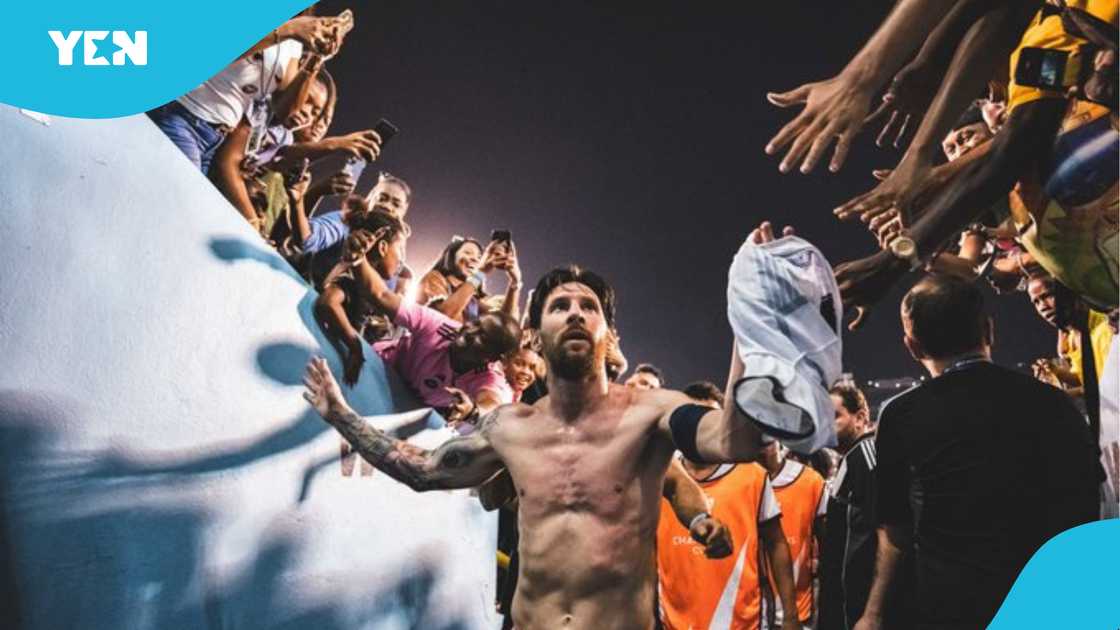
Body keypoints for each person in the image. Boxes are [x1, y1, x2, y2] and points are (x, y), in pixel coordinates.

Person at [302, 253, 781, 628]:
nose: (575, 315)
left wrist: (749, 323)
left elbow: (733, 439)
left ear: (608, 333)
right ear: (534, 333)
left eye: (588, 308)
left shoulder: (651, 413)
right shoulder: (510, 427)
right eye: (560, 307)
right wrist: (341, 416)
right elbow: (423, 472)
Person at [853, 275, 1100, 630]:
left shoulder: (901, 415)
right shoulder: (1051, 402)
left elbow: (896, 530)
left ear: (913, 347)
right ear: (989, 330)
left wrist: (873, 614)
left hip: (948, 608)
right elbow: (1083, 507)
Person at [147, 12, 347, 174]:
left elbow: (286, 110)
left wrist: (316, 59)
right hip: (185, 114)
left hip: (215, 137)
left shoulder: (294, 42)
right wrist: (287, 29)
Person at [657, 450, 801, 630]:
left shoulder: (752, 475)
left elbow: (776, 543)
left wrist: (791, 614)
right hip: (674, 620)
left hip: (743, 620)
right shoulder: (658, 475)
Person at [314, 211, 410, 386]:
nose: (402, 259)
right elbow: (328, 302)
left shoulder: (373, 288)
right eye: (401, 249)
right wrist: (355, 347)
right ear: (382, 248)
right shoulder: (356, 282)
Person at [817, 382, 883, 630]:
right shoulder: (851, 458)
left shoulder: (867, 456)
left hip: (858, 607)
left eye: (834, 416)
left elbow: (889, 538)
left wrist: (873, 612)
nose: (826, 425)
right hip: (842, 602)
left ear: (860, 418)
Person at [758, 442, 826, 630]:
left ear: (778, 442)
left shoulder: (809, 481)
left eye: (765, 443)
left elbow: (829, 544)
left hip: (797, 609)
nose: (759, 449)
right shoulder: (740, 479)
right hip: (749, 611)